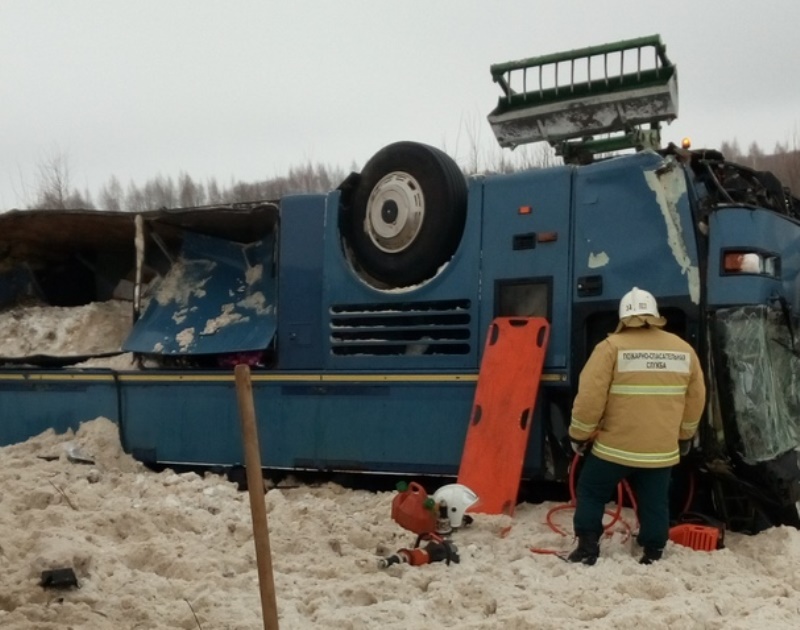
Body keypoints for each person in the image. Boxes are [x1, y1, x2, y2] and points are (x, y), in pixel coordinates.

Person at [567, 287, 706, 566]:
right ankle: (653, 551)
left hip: (613, 449)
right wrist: (684, 434)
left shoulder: (610, 348)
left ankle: (587, 548)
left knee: (591, 490)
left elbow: (590, 398)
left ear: (623, 316)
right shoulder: (683, 350)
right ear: (655, 315)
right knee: (655, 502)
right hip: (660, 452)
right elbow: (696, 398)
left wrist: (579, 434)